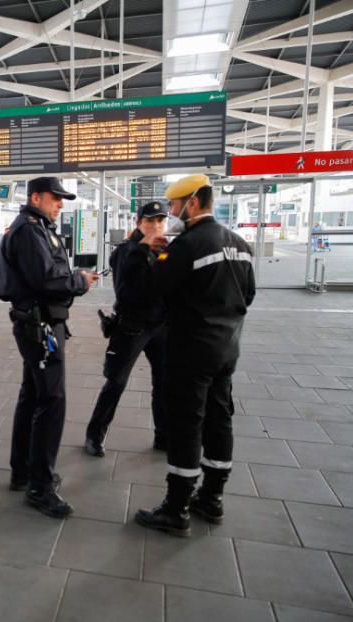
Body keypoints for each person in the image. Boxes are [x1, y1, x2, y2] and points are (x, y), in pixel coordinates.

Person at [124, 174, 256, 537]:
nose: (171, 211)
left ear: (193, 203)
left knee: (185, 422)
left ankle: (176, 507)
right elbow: (249, 295)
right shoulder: (241, 244)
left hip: (190, 350)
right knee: (219, 418)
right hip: (227, 348)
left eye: (174, 205)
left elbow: (146, 292)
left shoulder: (187, 246)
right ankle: (211, 498)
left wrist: (141, 251)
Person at [0, 177, 99, 518]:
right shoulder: (29, 230)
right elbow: (46, 279)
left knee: (32, 395)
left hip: (39, 322)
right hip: (39, 326)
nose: (60, 204)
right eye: (56, 198)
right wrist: (80, 282)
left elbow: (47, 272)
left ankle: (23, 470)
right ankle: (40, 485)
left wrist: (73, 279)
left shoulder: (37, 227)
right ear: (36, 197)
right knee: (51, 399)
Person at [85, 201, 169, 457]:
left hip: (160, 326)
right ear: (138, 223)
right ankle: (94, 435)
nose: (155, 226)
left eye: (160, 221)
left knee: (163, 382)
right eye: (150, 221)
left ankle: (163, 436)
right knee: (116, 382)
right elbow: (125, 291)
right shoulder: (126, 251)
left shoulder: (163, 250)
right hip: (131, 327)